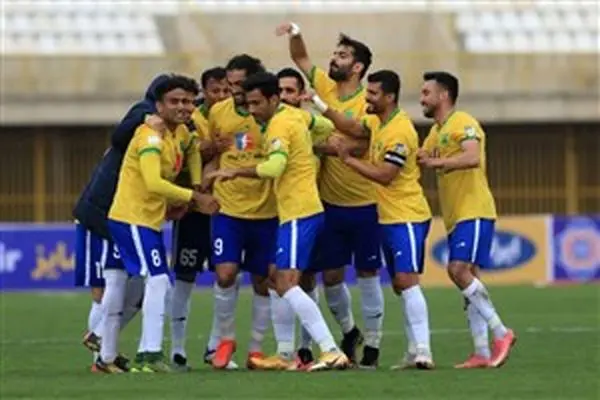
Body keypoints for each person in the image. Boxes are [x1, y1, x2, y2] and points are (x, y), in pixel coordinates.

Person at [208, 72, 349, 371]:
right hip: (299, 211)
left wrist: (235, 171)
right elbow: (324, 125)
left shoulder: (279, 125)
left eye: (257, 103)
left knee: (285, 282)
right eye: (248, 104)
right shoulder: (297, 116)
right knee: (278, 281)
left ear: (273, 99)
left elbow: (274, 167)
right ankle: (286, 355)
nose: (252, 110)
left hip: (299, 212)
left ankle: (331, 349)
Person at [275, 22, 384, 367]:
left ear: (358, 67)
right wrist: (295, 32)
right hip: (329, 203)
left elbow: (364, 141)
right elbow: (300, 57)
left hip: (366, 201)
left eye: (342, 55)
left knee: (368, 273)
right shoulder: (324, 86)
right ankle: (348, 332)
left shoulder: (367, 101)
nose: (334, 59)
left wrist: (327, 144)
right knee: (330, 276)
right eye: (335, 53)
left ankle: (374, 345)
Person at [312, 69, 435, 369]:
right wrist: (317, 103)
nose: (367, 97)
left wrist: (348, 159)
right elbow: (351, 125)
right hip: (388, 216)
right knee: (399, 284)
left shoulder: (400, 131)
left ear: (389, 97)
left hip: (407, 214)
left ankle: (423, 351)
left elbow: (385, 175)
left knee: (406, 280)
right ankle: (413, 352)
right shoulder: (377, 121)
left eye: (373, 93)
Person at [101, 74, 220, 373]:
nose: (183, 107)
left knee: (124, 285)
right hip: (133, 218)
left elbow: (192, 150)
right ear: (159, 106)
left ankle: (106, 354)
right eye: (175, 101)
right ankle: (149, 355)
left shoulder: (180, 133)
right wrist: (195, 197)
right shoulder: (150, 136)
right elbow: (153, 182)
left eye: (188, 101)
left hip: (144, 219)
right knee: (158, 281)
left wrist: (196, 183)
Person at [417, 71, 516, 368]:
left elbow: (472, 157)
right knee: (469, 277)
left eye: (426, 93)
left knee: (458, 270)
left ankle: (501, 332)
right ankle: (481, 352)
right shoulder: (435, 132)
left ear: (444, 95)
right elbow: (420, 156)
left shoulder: (464, 122)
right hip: (455, 215)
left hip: (474, 210)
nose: (421, 99)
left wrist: (437, 161)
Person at [73, 75, 170, 372]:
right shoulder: (143, 115)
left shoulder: (169, 132)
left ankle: (103, 344)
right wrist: (145, 117)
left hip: (125, 215)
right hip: (101, 215)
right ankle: (101, 356)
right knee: (107, 287)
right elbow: (119, 134)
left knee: (134, 287)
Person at [205, 55, 275, 370]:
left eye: (239, 84)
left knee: (263, 280)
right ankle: (225, 340)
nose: (233, 89)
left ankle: (256, 349)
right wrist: (205, 182)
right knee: (225, 274)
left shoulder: (272, 118)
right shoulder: (218, 112)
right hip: (228, 208)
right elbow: (210, 152)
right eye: (229, 83)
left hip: (266, 210)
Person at [168, 66, 236, 371]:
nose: (221, 96)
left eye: (226, 90)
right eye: (215, 90)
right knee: (185, 277)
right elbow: (186, 154)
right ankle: (177, 349)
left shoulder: (239, 116)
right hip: (193, 211)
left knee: (227, 276)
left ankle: (215, 347)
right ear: (204, 92)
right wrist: (210, 148)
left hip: (228, 210)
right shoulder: (190, 117)